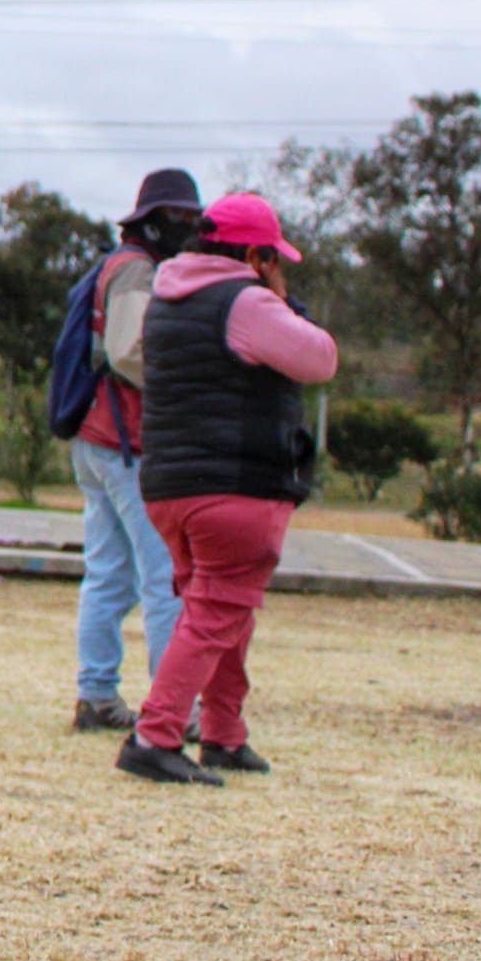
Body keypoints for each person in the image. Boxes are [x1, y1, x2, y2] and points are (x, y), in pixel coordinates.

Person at [117, 193, 337, 786]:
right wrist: (282, 297)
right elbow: (320, 358)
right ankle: (156, 734)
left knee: (219, 611)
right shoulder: (245, 302)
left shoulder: (167, 296)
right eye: (272, 257)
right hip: (236, 485)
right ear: (253, 253)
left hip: (170, 484)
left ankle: (223, 733)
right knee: (217, 615)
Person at [68, 169, 202, 732]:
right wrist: (189, 385)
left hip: (96, 438)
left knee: (109, 575)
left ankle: (96, 695)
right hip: (124, 444)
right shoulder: (135, 271)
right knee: (163, 578)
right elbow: (129, 351)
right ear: (154, 220)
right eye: (183, 219)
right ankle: (176, 710)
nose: (189, 228)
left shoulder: (118, 265)